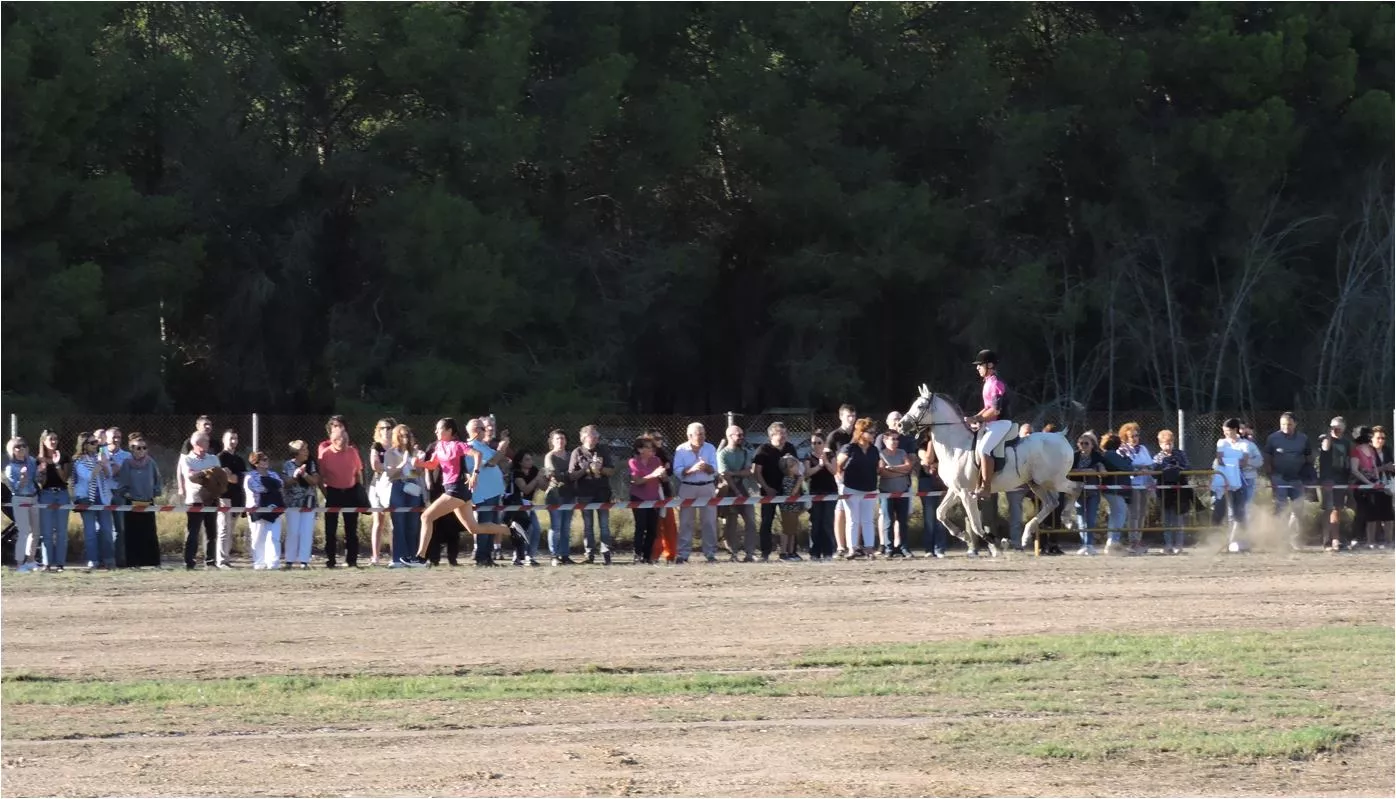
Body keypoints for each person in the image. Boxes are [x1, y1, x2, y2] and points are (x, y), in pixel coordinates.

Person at [407, 417, 525, 567]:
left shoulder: (458, 445)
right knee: (473, 528)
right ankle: (513, 531)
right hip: (453, 489)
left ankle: (421, 558)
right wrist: (419, 463)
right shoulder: (439, 446)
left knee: (426, 516)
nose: (435, 431)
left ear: (449, 431)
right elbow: (432, 465)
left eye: (439, 428)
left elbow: (478, 455)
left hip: (457, 489)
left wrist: (475, 474)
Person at [963, 350, 1014, 498]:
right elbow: (987, 408)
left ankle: (986, 487)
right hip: (992, 424)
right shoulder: (988, 383)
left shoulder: (996, 383)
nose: (977, 368)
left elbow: (996, 410)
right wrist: (973, 417)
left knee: (984, 449)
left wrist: (977, 419)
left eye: (980, 365)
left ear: (990, 365)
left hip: (1001, 422)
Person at [317, 416, 363, 568]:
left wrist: (359, 491)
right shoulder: (325, 454)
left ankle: (352, 560)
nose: (342, 441)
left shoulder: (352, 452)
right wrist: (326, 494)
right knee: (330, 530)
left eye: (344, 438)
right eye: (338, 439)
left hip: (350, 492)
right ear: (332, 438)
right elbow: (320, 477)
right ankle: (331, 559)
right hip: (333, 492)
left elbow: (358, 474)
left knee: (352, 530)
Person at [1263, 412, 1311, 550]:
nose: (1286, 427)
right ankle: (1280, 540)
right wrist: (1270, 475)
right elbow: (1267, 456)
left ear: (1295, 424)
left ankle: (1293, 539)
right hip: (1279, 478)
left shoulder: (1303, 438)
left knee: (1298, 510)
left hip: (1297, 478)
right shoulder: (1273, 438)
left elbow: (1308, 457)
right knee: (1280, 509)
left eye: (1289, 424)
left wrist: (1308, 473)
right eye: (1283, 424)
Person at [672, 422, 719, 564]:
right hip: (688, 487)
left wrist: (706, 467)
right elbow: (677, 471)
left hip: (707, 486)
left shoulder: (710, 448)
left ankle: (710, 553)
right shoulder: (681, 450)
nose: (703, 437)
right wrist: (692, 469)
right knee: (686, 521)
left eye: (704, 434)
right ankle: (683, 553)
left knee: (709, 521)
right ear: (690, 436)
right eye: (699, 434)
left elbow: (715, 469)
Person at [568, 424, 615, 565]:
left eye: (597, 436)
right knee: (588, 525)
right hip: (584, 493)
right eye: (593, 435)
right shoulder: (577, 452)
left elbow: (612, 471)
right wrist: (587, 470)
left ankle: (606, 553)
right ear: (584, 438)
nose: (596, 438)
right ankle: (589, 554)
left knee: (604, 525)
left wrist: (600, 469)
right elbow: (571, 476)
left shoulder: (603, 450)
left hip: (602, 492)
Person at [179, 431, 225, 569]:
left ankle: (210, 562)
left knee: (211, 531)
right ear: (196, 444)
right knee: (193, 532)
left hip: (212, 498)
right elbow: (190, 476)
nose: (208, 443)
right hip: (195, 499)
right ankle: (189, 562)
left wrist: (203, 475)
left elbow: (219, 476)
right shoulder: (187, 459)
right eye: (205, 441)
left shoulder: (213, 458)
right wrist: (207, 474)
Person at [753, 422, 799, 561]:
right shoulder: (763, 450)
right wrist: (767, 488)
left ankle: (790, 551)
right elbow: (756, 472)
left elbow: (796, 467)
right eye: (781, 433)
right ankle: (765, 552)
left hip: (788, 491)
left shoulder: (790, 448)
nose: (784, 436)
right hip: (769, 492)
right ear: (772, 435)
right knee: (767, 521)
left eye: (785, 433)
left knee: (790, 521)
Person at [836, 418, 880, 559]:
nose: (873, 435)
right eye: (871, 432)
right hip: (851, 488)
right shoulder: (849, 448)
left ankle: (869, 548)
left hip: (870, 489)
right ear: (861, 433)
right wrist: (840, 480)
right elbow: (838, 465)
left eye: (874, 432)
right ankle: (852, 548)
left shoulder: (874, 450)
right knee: (852, 520)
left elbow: (877, 468)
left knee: (868, 520)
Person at [118, 435, 163, 567]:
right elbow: (122, 484)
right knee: (133, 533)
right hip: (132, 503)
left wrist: (155, 491)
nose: (142, 450)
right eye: (138, 448)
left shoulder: (151, 462)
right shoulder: (127, 463)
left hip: (147, 502)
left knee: (149, 532)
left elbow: (157, 480)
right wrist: (128, 495)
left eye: (144, 447)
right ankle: (133, 562)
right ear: (132, 449)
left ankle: (151, 562)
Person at [382, 424, 424, 568]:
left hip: (412, 486)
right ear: (396, 437)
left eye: (407, 435)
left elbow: (417, 474)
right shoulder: (390, 453)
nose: (405, 438)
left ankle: (412, 557)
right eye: (402, 435)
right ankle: (398, 558)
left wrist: (414, 468)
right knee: (399, 523)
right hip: (397, 487)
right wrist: (403, 463)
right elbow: (391, 475)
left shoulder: (415, 452)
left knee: (413, 524)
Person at [72, 433, 116, 570]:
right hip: (87, 499)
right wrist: (100, 464)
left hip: (102, 498)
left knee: (107, 530)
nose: (95, 445)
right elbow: (89, 476)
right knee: (90, 532)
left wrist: (104, 462)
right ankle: (93, 560)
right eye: (92, 443)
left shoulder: (100, 457)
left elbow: (109, 474)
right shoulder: (79, 461)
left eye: (96, 442)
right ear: (84, 445)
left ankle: (108, 559)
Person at [716, 425, 757, 562]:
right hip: (729, 491)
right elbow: (724, 475)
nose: (741, 437)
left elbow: (748, 472)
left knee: (751, 521)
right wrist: (736, 490)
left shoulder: (745, 452)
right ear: (730, 436)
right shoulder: (722, 454)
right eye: (738, 435)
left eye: (742, 434)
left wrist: (734, 474)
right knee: (731, 523)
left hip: (744, 489)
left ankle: (749, 553)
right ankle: (733, 553)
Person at [419, 439, 462, 566]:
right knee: (435, 526)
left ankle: (452, 558)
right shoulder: (432, 446)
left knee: (453, 526)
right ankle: (434, 558)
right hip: (436, 491)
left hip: (451, 488)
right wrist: (429, 484)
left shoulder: (456, 446)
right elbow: (427, 466)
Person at [1350, 426, 1394, 549]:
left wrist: (1379, 478)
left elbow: (1375, 468)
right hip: (1364, 486)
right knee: (1365, 514)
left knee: (1383, 513)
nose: (1381, 440)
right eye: (1377, 438)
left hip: (1380, 485)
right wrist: (1370, 480)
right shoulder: (1360, 450)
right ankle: (1362, 539)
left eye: (1383, 438)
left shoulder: (1384, 451)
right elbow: (1357, 470)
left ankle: (1386, 541)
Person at [1214, 418, 1252, 551]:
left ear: (1235, 430)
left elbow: (1245, 462)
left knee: (1240, 510)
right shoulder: (1222, 443)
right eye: (1224, 431)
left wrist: (1231, 462)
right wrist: (1235, 462)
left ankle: (1238, 539)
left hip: (1240, 480)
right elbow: (1220, 460)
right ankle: (1229, 540)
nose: (1225, 434)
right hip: (1226, 480)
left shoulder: (1245, 444)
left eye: (1228, 431)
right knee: (1229, 511)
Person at [35, 430, 71, 571]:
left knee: (61, 531)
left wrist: (56, 465)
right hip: (46, 494)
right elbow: (41, 484)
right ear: (44, 441)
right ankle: (47, 563)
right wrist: (43, 470)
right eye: (51, 439)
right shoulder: (38, 460)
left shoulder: (64, 457)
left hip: (62, 494)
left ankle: (60, 564)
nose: (54, 441)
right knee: (47, 532)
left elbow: (65, 479)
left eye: (56, 439)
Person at [244, 451, 285, 570]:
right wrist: (272, 487)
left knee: (274, 537)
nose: (266, 461)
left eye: (267, 459)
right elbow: (258, 488)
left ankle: (273, 563)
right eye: (263, 459)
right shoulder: (250, 476)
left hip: (274, 509)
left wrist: (271, 486)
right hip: (257, 510)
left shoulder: (273, 474)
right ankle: (259, 563)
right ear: (256, 463)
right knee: (258, 538)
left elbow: (280, 484)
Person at [1116, 422, 1154, 555]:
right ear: (1125, 437)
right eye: (1131, 436)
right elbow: (1125, 466)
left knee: (1142, 513)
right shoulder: (1122, 450)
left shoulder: (1143, 448)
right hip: (1132, 484)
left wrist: (1146, 469)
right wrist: (1138, 469)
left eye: (1136, 435)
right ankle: (1133, 540)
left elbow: (1150, 464)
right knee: (1134, 513)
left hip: (1145, 484)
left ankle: (1139, 538)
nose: (1135, 438)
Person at [282, 440, 320, 569]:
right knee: (293, 531)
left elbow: (315, 481)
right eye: (304, 450)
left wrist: (304, 474)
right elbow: (286, 483)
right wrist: (295, 476)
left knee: (306, 531)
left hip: (308, 502)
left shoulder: (311, 463)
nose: (307, 452)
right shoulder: (288, 465)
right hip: (293, 503)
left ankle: (304, 561)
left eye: (307, 449)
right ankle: (289, 560)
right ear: (296, 452)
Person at [825, 404, 857, 556]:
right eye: (848, 416)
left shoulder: (858, 434)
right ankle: (840, 546)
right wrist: (836, 471)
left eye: (853, 416)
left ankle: (856, 545)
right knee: (841, 511)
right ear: (841, 417)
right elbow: (827, 454)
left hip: (857, 477)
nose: (851, 419)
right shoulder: (835, 436)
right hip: (840, 478)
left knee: (856, 513)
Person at [628, 437, 666, 565]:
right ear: (640, 449)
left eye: (652, 447)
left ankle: (647, 556)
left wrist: (663, 474)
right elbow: (637, 481)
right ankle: (637, 555)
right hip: (638, 498)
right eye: (648, 447)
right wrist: (653, 475)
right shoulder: (633, 462)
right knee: (641, 526)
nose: (652, 450)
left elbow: (664, 479)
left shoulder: (656, 461)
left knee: (652, 528)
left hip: (653, 498)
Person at [1153, 430, 1191, 555]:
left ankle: (1179, 545)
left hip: (1179, 491)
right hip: (1164, 492)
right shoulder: (1157, 458)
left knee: (1178, 520)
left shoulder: (1180, 454)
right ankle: (1168, 544)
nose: (1168, 446)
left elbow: (1187, 467)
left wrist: (1178, 467)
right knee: (1166, 520)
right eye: (1165, 443)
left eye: (1170, 443)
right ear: (1160, 444)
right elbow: (1154, 471)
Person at [876, 429, 913, 557]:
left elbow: (909, 467)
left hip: (903, 491)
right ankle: (889, 548)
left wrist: (892, 469)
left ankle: (904, 547)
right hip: (887, 492)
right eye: (892, 439)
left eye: (897, 439)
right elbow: (882, 472)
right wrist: (901, 471)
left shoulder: (902, 452)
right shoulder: (880, 454)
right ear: (885, 441)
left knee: (903, 521)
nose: (895, 442)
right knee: (888, 521)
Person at [1316, 417, 1352, 552]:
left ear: (1344, 428)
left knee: (1337, 509)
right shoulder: (1326, 439)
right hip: (1328, 479)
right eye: (1333, 427)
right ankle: (1327, 541)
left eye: (1339, 427)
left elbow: (1347, 460)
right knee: (1328, 510)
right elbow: (1325, 449)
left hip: (1341, 479)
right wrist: (1328, 434)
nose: (1336, 430)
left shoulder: (1346, 443)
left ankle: (1336, 539)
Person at [5, 437, 40, 573]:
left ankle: (30, 560)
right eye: (17, 447)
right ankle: (20, 564)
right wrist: (22, 479)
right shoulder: (10, 468)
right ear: (12, 451)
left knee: (36, 532)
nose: (21, 449)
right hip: (20, 499)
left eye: (23, 446)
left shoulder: (31, 461)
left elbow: (37, 478)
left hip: (34, 498)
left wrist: (40, 471)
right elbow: (16, 489)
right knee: (24, 532)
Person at [505, 451, 545, 566]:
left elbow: (543, 487)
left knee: (536, 529)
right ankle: (517, 556)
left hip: (529, 504)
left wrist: (545, 478)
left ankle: (530, 556)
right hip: (517, 505)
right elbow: (525, 489)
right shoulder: (516, 473)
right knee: (522, 531)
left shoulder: (534, 470)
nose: (530, 462)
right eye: (527, 459)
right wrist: (537, 478)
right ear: (520, 462)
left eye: (531, 459)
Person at [367, 418, 398, 566]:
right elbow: (375, 465)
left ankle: (395, 556)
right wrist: (391, 468)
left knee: (394, 522)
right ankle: (375, 557)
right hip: (378, 485)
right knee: (378, 521)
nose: (386, 430)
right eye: (382, 428)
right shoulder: (376, 446)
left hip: (394, 486)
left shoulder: (398, 446)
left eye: (389, 427)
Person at [542, 429, 575, 565]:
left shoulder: (571, 455)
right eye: (557, 439)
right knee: (556, 526)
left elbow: (575, 472)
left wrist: (570, 474)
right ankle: (553, 555)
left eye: (562, 438)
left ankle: (565, 554)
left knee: (566, 527)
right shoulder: (550, 456)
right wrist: (569, 474)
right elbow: (553, 473)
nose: (560, 441)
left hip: (570, 494)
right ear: (552, 441)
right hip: (555, 495)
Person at [1097, 434, 1134, 555]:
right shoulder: (1111, 454)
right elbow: (1126, 467)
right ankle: (1113, 541)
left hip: (1114, 489)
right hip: (1114, 489)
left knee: (1115, 514)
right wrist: (1128, 457)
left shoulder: (1109, 454)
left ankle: (1112, 541)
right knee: (1120, 513)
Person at [1071, 433, 1107, 555]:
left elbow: (1102, 471)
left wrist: (1093, 470)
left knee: (1091, 518)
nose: (1084, 446)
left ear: (1092, 445)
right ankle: (1084, 544)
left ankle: (1089, 544)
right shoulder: (1074, 456)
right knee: (1081, 518)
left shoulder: (1097, 456)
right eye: (1081, 443)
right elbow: (1068, 470)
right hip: (1077, 491)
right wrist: (1086, 471)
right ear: (1078, 444)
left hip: (1093, 490)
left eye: (1087, 443)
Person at [215, 430, 246, 569]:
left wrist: (232, 476)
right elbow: (222, 478)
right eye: (230, 439)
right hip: (224, 497)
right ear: (224, 440)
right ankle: (221, 561)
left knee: (230, 529)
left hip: (237, 498)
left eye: (235, 438)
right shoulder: (219, 458)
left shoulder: (239, 460)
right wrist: (231, 477)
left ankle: (226, 559)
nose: (233, 441)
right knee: (223, 529)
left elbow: (240, 479)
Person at [805, 429, 838, 561]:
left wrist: (826, 462)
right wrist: (819, 466)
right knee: (815, 522)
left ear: (824, 443)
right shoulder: (808, 456)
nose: (816, 445)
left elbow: (834, 471)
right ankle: (815, 552)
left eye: (819, 442)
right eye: (814, 443)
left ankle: (828, 551)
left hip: (830, 491)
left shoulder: (831, 455)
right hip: (815, 492)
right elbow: (807, 473)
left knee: (827, 522)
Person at [102, 427, 131, 567]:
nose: (116, 439)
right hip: (103, 493)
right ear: (106, 438)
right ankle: (104, 559)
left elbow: (128, 476)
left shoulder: (127, 456)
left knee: (120, 529)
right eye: (114, 437)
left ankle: (120, 560)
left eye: (119, 437)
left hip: (119, 493)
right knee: (103, 528)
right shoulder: (100, 453)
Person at [917, 441, 949, 558]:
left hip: (943, 480)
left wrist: (937, 465)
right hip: (926, 481)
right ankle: (928, 549)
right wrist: (931, 443)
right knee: (929, 517)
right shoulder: (922, 445)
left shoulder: (946, 443)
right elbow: (927, 460)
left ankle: (940, 548)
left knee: (941, 516)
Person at [778, 454, 804, 560]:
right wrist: (799, 482)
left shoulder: (796, 478)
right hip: (787, 508)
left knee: (793, 531)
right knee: (786, 530)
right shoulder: (787, 479)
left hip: (795, 508)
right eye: (793, 466)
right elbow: (791, 494)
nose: (797, 468)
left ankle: (791, 551)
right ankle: (783, 552)